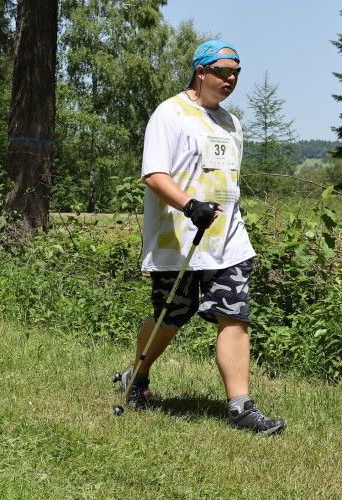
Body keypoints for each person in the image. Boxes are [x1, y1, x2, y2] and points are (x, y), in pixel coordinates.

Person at [121, 40, 286, 435]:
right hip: (178, 238)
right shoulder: (170, 113)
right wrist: (189, 205)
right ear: (201, 71)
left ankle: (240, 407)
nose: (231, 80)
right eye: (223, 72)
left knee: (234, 315)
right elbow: (154, 174)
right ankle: (137, 375)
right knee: (171, 315)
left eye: (236, 74)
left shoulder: (232, 123)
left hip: (228, 240)